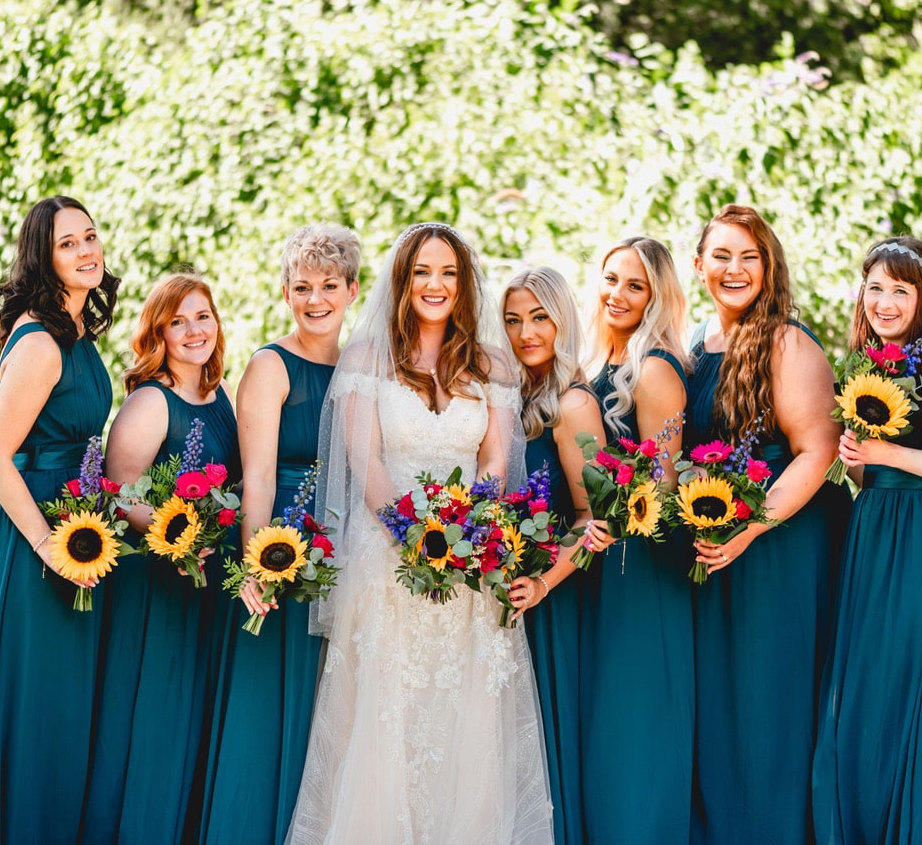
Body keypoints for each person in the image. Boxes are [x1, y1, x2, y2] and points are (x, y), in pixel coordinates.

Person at [286, 223, 552, 844]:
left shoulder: (491, 365)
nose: (435, 285)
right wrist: (414, 535)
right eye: (422, 273)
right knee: (388, 719)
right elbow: (367, 462)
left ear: (465, 285)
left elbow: (494, 460)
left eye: (449, 274)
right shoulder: (366, 358)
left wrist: (467, 527)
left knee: (469, 720)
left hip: (470, 563)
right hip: (388, 559)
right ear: (402, 282)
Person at [0, 196, 119, 843]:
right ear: (44, 259)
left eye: (91, 236)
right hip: (30, 529)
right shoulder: (42, 342)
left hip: (71, 516)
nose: (86, 250)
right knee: (31, 697)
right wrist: (47, 543)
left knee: (58, 704)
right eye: (68, 243)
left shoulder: (74, 333)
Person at [812, 237, 922, 845]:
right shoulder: (866, 368)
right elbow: (876, 471)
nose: (885, 302)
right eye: (876, 288)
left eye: (900, 289)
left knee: (914, 684)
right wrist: (860, 463)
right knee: (865, 690)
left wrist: (889, 452)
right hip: (873, 536)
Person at [686, 204, 849, 843]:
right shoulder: (692, 346)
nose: (735, 269)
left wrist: (750, 527)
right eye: (721, 255)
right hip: (713, 548)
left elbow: (819, 449)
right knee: (720, 709)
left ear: (769, 267)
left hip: (780, 546)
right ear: (699, 265)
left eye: (749, 257)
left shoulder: (785, 342)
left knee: (768, 703)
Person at [198, 224, 361, 844]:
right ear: (285, 293)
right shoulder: (271, 366)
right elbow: (258, 476)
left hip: (349, 551)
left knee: (331, 711)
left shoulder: (362, 366)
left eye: (328, 285)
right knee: (272, 709)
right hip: (284, 551)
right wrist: (256, 564)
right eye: (301, 287)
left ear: (350, 290)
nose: (315, 299)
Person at [76, 270, 237, 843]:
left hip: (206, 582)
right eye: (178, 321)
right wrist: (183, 533)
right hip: (156, 585)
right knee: (151, 718)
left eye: (203, 316)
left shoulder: (219, 397)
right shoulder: (152, 400)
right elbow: (117, 494)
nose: (195, 330)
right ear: (159, 333)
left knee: (191, 722)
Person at [576, 236, 695, 841]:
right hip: (598, 560)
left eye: (635, 285)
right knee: (605, 722)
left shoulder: (652, 368)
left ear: (657, 296)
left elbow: (663, 486)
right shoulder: (599, 363)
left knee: (637, 721)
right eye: (611, 279)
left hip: (641, 567)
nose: (617, 294)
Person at [501, 266, 608, 845]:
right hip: (511, 588)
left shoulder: (572, 403)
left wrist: (544, 583)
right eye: (514, 320)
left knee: (549, 742)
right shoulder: (510, 395)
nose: (526, 333)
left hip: (555, 594)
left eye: (540, 317)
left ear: (563, 319)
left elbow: (599, 516)